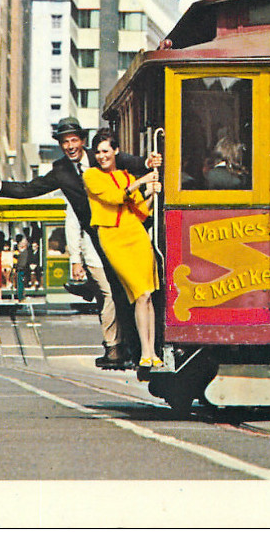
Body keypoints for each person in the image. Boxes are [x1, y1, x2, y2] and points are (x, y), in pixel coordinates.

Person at [0, 116, 161, 369]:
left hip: (130, 230)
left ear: (82, 141)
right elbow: (30, 189)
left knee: (131, 291)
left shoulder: (101, 154)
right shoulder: (61, 170)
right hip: (99, 236)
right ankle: (119, 347)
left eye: (74, 140)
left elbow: (129, 161)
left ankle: (135, 349)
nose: (70, 146)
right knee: (111, 290)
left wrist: (146, 162)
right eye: (64, 142)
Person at [83, 128, 162, 370]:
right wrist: (143, 181)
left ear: (116, 151)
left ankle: (151, 352)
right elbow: (115, 198)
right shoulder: (91, 176)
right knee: (138, 292)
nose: (101, 156)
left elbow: (141, 212)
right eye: (97, 152)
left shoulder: (127, 176)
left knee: (147, 294)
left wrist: (152, 193)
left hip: (135, 234)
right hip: (113, 238)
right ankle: (145, 351)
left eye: (105, 151)